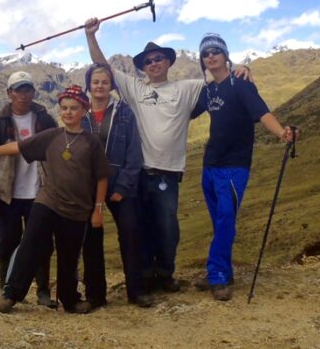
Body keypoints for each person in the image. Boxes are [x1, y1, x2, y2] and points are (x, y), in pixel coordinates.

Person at [84, 18, 251, 294]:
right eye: (148, 61)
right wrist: (91, 36)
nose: (154, 63)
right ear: (143, 66)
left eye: (159, 58)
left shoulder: (187, 88)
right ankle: (146, 277)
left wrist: (241, 68)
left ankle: (165, 273)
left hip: (168, 174)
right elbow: (102, 68)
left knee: (167, 228)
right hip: (138, 173)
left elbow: (220, 78)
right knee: (141, 227)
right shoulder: (136, 89)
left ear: (168, 62)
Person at [0, 85, 109, 314]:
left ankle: (70, 300)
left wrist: (98, 209)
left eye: (74, 108)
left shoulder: (91, 143)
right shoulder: (51, 136)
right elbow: (17, 147)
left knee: (69, 256)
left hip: (78, 209)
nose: (68, 112)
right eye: (64, 108)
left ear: (84, 110)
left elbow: (102, 177)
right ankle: (11, 295)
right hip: (47, 201)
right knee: (30, 245)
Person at [191, 33, 296, 301]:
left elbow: (262, 113)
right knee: (220, 222)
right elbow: (184, 111)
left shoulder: (241, 84)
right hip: (210, 165)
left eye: (215, 51)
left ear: (225, 55)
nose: (211, 56)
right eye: (205, 54)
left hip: (235, 165)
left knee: (226, 218)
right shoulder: (208, 90)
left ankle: (216, 276)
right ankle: (223, 272)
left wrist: (281, 133)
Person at [0, 71, 56, 307]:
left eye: (27, 89)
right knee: (7, 244)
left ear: (33, 92)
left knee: (42, 243)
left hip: (40, 193)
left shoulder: (45, 119)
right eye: (18, 90)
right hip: (6, 195)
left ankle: (43, 292)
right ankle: (7, 291)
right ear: (9, 93)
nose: (23, 95)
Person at [80, 63, 154, 308]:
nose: (100, 86)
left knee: (131, 236)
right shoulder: (80, 113)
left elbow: (134, 153)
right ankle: (95, 295)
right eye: (95, 82)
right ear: (88, 86)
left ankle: (137, 290)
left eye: (104, 82)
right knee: (91, 240)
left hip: (122, 186)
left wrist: (123, 188)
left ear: (111, 85)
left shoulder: (124, 112)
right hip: (89, 188)